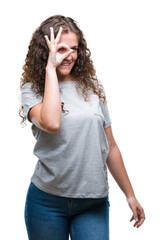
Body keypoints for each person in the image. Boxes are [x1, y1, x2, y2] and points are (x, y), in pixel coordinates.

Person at [19, 15, 145, 240]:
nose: (69, 56)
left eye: (74, 49)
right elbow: (52, 122)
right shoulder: (32, 90)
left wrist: (130, 195)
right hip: (46, 201)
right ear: (45, 50)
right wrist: (51, 69)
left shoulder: (92, 87)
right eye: (61, 49)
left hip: (92, 202)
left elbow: (110, 147)